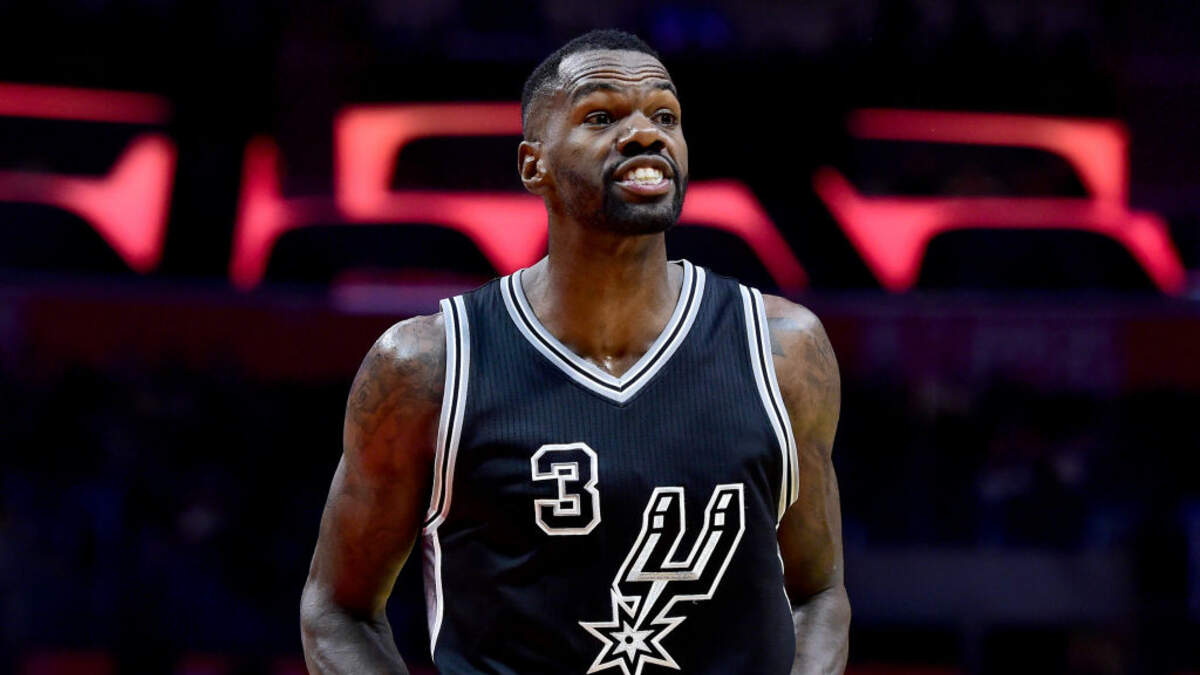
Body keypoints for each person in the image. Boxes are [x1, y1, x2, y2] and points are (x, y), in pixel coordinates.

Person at [300, 29, 849, 674]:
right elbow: (337, 610)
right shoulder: (427, 365)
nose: (645, 134)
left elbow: (819, 595)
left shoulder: (782, 350)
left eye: (665, 116)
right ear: (533, 166)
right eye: (601, 116)